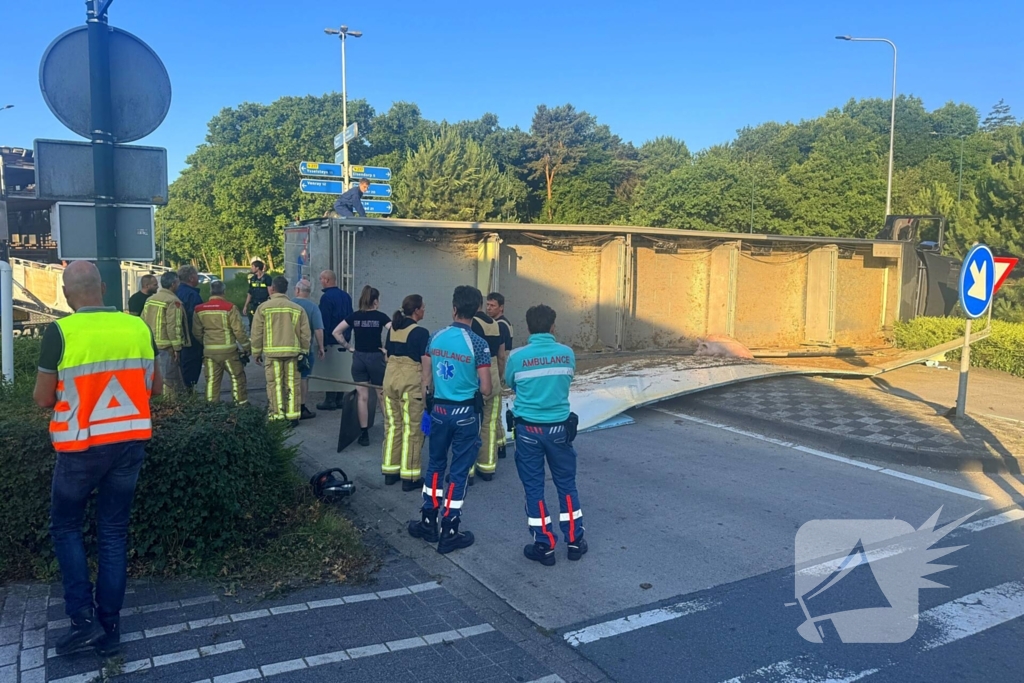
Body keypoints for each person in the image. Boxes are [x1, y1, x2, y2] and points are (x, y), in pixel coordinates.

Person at [33, 261, 162, 658]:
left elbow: (42, 398)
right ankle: (110, 628)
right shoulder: (137, 326)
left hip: (79, 449)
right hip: (128, 446)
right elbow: (153, 388)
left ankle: (82, 621)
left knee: (67, 527)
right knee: (112, 533)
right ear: (103, 288)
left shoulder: (60, 332)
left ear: (67, 293)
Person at [407, 285, 492, 555]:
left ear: (454, 308)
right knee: (458, 472)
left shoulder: (436, 337)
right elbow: (487, 388)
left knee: (435, 464)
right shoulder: (478, 344)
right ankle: (450, 529)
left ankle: (428, 521)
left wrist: (428, 405)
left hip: (439, 411)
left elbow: (426, 378)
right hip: (466, 413)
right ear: (476, 310)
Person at [506, 304, 586, 566]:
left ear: (528, 328)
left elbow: (510, 383)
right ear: (553, 326)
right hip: (559, 430)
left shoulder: (517, 357)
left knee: (534, 488)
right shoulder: (567, 354)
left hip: (528, 431)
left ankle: (544, 544)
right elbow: (567, 380)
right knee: (566, 485)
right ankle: (575, 541)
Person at [381, 294, 430, 491]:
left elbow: (387, 355)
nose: (424, 310)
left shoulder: (393, 328)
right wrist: (427, 388)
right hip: (410, 382)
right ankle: (409, 477)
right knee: (413, 429)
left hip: (390, 379)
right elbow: (425, 362)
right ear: (416, 310)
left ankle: (390, 471)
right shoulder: (421, 332)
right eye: (423, 307)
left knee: (393, 425)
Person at [332, 285, 390, 446]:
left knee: (362, 397)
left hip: (358, 358)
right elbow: (394, 331)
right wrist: (387, 350)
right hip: (376, 358)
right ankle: (390, 430)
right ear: (376, 301)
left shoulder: (354, 317)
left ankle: (364, 434)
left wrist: (349, 347)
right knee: (382, 395)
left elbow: (336, 332)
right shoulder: (381, 317)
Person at [251, 276, 311, 426]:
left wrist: (256, 352)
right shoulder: (297, 309)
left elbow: (256, 332)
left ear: (272, 288)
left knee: (275, 384)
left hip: (272, 354)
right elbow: (305, 334)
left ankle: (277, 416)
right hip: (293, 354)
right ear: (287, 290)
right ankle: (292, 416)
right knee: (292, 383)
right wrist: (304, 352)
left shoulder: (263, 308)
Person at [193, 280, 250, 404]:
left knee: (212, 381)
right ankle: (240, 406)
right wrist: (247, 347)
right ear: (224, 292)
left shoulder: (199, 309)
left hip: (210, 353)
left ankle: (211, 409)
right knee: (237, 378)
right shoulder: (230, 308)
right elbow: (239, 330)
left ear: (210, 291)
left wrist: (206, 342)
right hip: (229, 352)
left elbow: (197, 332)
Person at [469, 302, 506, 482]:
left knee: (469, 425)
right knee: (489, 424)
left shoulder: (471, 323)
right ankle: (487, 467)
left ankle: (468, 470)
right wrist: (498, 377)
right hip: (493, 376)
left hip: (476, 376)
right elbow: (500, 356)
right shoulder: (494, 324)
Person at [141, 271, 188, 395]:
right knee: (169, 381)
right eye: (178, 283)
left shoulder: (150, 300)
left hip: (151, 345)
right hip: (167, 347)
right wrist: (177, 348)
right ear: (173, 284)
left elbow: (142, 320)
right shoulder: (173, 301)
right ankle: (169, 407)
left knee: (155, 378)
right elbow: (174, 326)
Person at [316, 269, 353, 411]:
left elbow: (324, 320)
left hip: (331, 338)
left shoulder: (326, 298)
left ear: (326, 280)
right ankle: (339, 399)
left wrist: (322, 343)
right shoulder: (346, 296)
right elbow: (350, 317)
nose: (320, 281)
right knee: (341, 368)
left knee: (330, 370)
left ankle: (330, 400)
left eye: (321, 279)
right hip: (345, 338)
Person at [292, 278, 326, 420]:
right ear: (309, 293)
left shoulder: (289, 304)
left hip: (287, 348)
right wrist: (321, 347)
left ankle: (286, 405)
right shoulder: (313, 307)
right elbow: (318, 329)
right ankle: (301, 406)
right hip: (305, 350)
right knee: (303, 378)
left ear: (297, 290)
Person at [487, 291, 513, 459]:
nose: (489, 308)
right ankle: (501, 442)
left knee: (493, 410)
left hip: (499, 366)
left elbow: (501, 355)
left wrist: (500, 375)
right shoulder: (502, 323)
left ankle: (498, 444)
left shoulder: (500, 325)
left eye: (493, 305)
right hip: (501, 366)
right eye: (487, 305)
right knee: (496, 410)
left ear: (501, 307)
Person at [176, 265, 204, 391]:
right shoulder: (193, 295)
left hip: (177, 338)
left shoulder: (174, 292)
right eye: (197, 276)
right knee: (191, 370)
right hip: (191, 340)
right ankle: (189, 394)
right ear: (192, 278)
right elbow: (196, 319)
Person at [243, 260, 273, 327]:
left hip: (264, 304)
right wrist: (245, 306)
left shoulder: (267, 278)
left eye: (253, 266)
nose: (251, 268)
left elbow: (270, 292)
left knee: (263, 324)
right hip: (253, 305)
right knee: (252, 323)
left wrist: (272, 303)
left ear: (257, 268)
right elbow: (249, 293)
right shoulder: (253, 279)